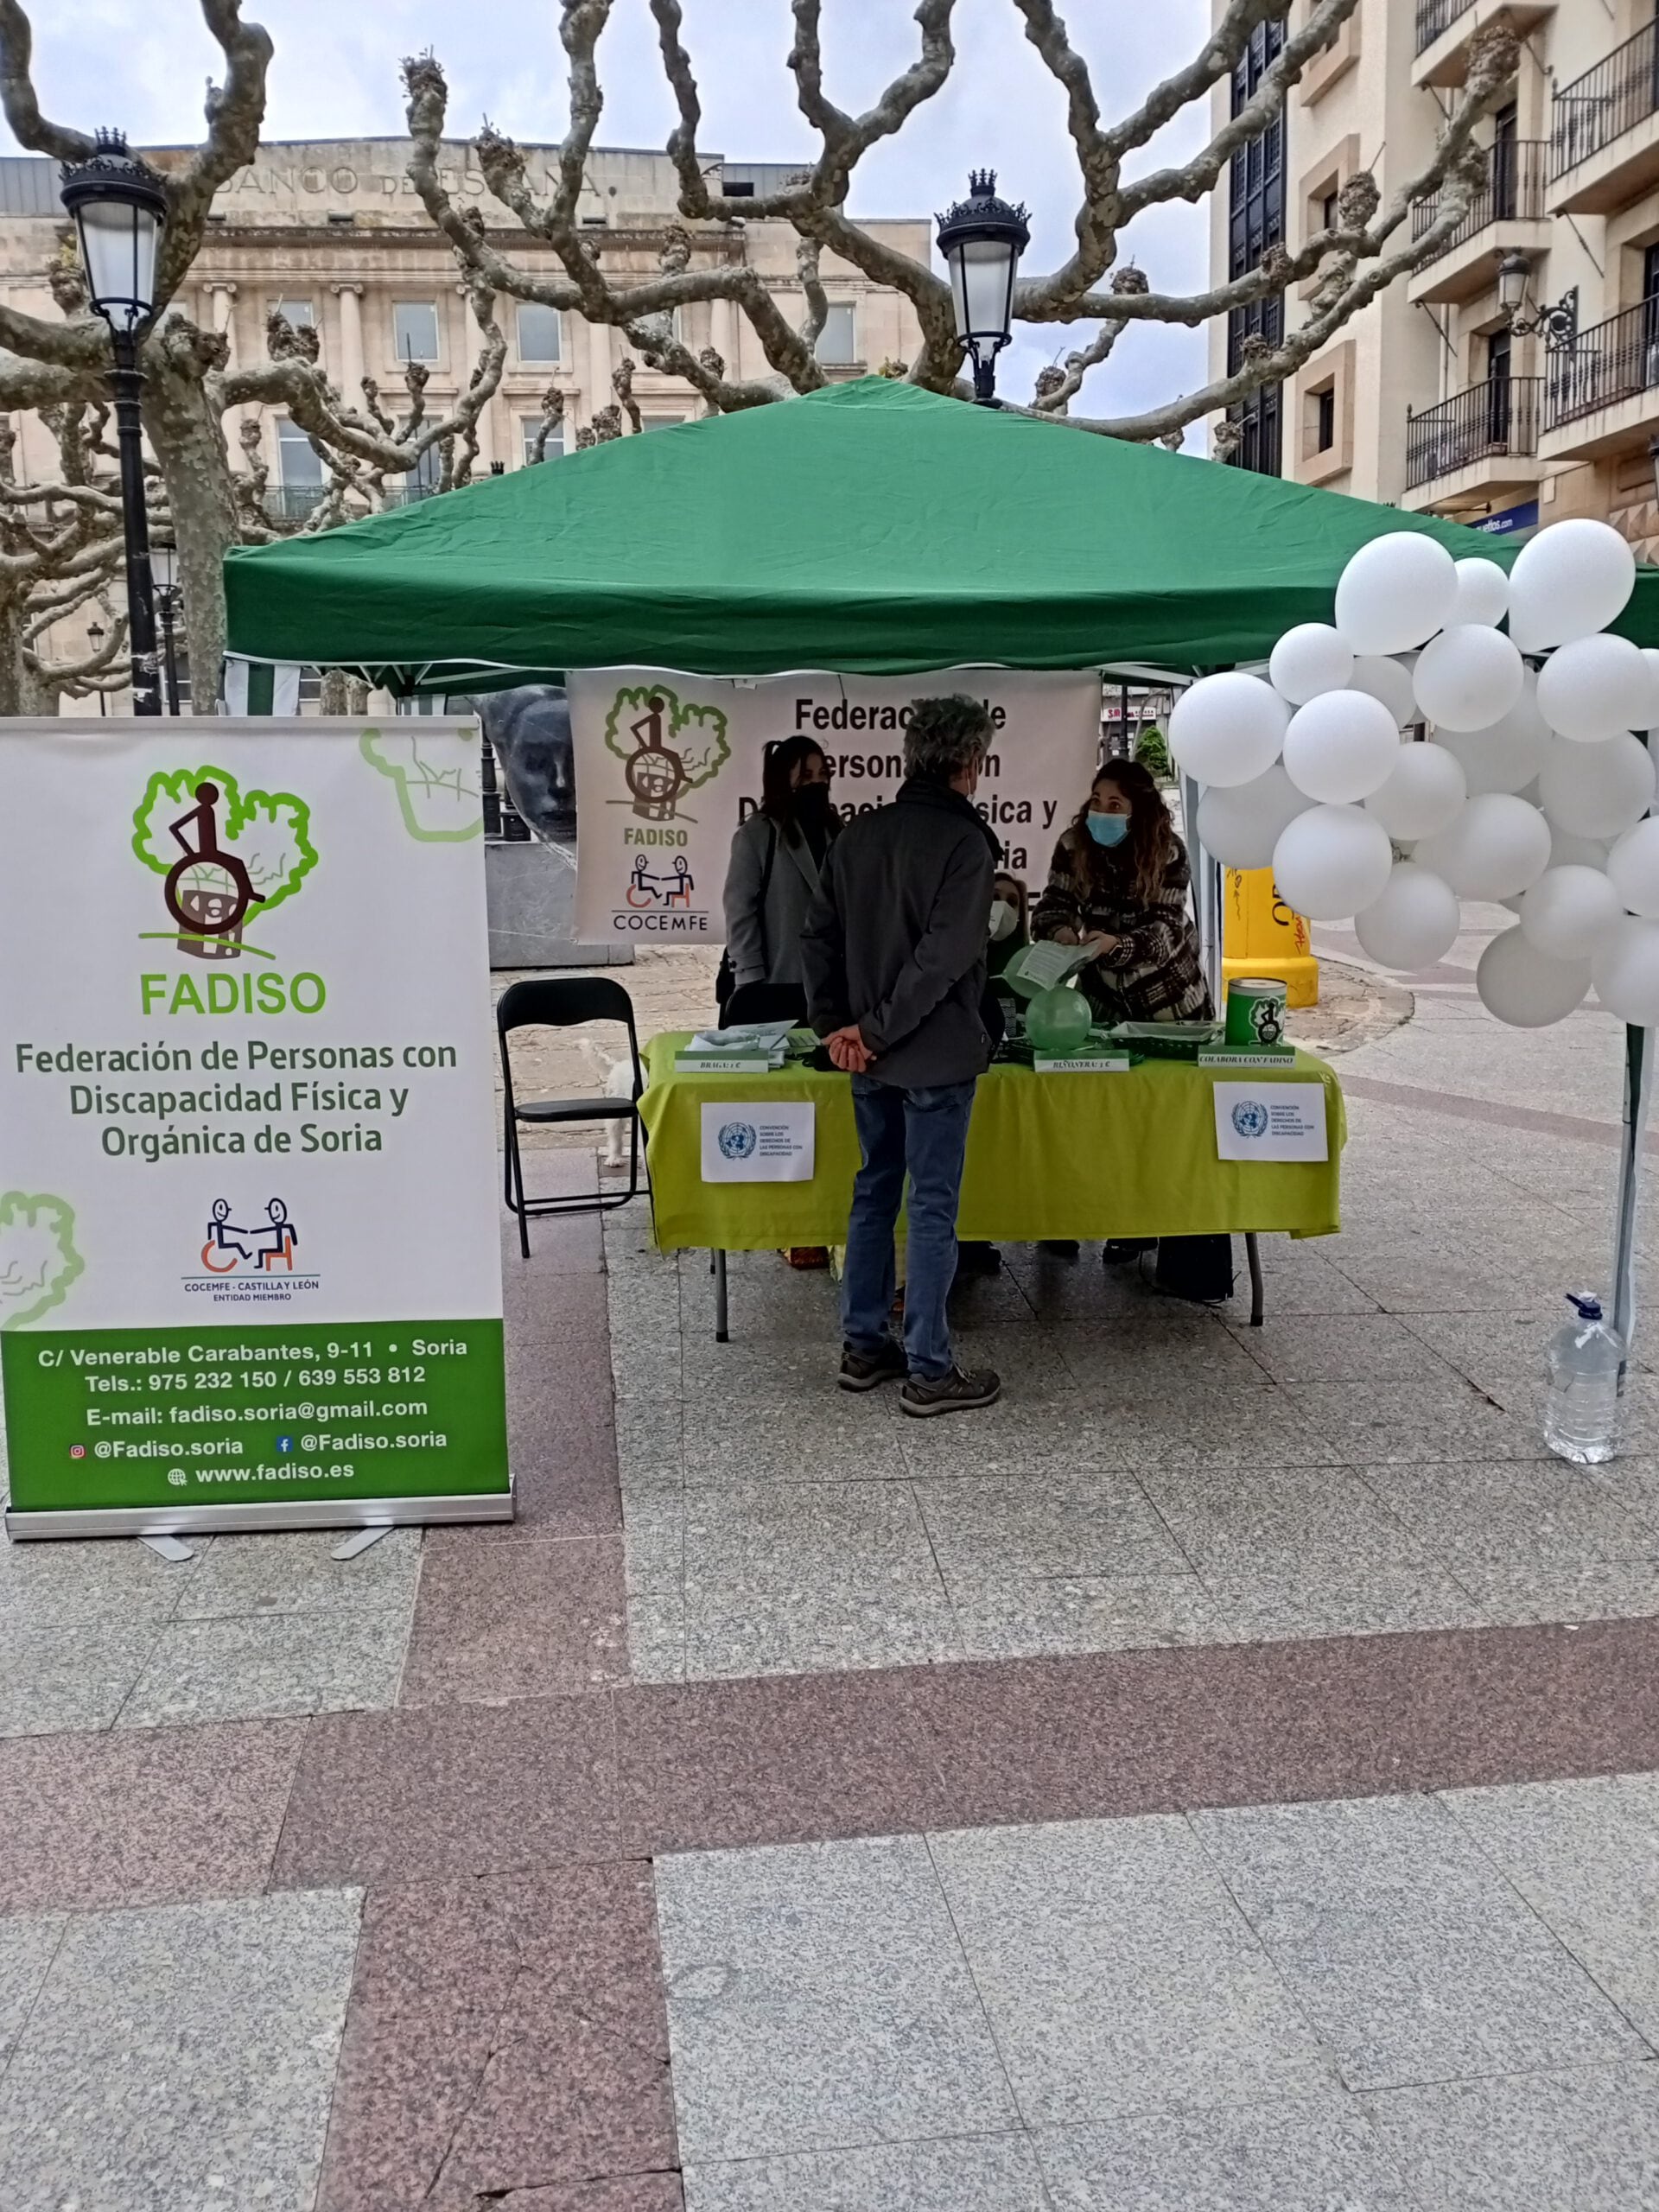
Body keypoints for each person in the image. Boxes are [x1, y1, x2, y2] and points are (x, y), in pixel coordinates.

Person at [802, 695, 1002, 1416]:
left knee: (874, 1190)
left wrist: (838, 1028)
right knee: (932, 1206)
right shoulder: (966, 844)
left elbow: (816, 938)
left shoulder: (859, 838)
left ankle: (863, 1347)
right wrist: (876, 1030)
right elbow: (944, 959)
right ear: (970, 763)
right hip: (932, 1055)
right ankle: (929, 1366)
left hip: (866, 1055)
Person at [1032, 759, 1217, 1278]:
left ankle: (1139, 1224)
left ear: (1139, 809)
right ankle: (1075, 1213)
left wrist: (1115, 946)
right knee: (1098, 1116)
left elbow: (1165, 931)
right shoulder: (1074, 845)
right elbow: (1051, 905)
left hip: (1169, 1006)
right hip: (1101, 1004)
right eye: (1096, 801)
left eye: (1115, 804)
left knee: (1153, 1119)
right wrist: (1061, 933)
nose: (1102, 812)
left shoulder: (1168, 852)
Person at [721, 735, 840, 1001]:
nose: (817, 783)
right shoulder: (757, 834)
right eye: (806, 776)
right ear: (783, 780)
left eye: (823, 774)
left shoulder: (835, 828)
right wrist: (750, 980)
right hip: (777, 980)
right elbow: (740, 910)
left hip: (831, 982)